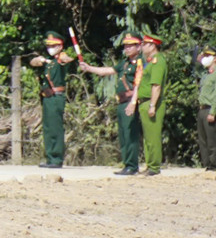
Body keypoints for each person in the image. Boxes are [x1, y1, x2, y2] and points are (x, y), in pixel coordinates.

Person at [79, 33, 143, 175]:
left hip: (130, 100)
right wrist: (89, 68)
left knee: (130, 133)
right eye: (126, 45)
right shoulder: (125, 63)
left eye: (130, 45)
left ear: (139, 46)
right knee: (123, 134)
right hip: (121, 101)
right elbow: (107, 71)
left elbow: (138, 83)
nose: (127, 48)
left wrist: (133, 102)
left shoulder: (140, 62)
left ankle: (132, 166)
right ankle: (127, 163)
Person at [29, 31, 76, 168]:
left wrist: (63, 56)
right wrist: (40, 60)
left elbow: (68, 60)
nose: (50, 48)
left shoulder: (60, 60)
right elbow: (33, 62)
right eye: (49, 46)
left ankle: (56, 159)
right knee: (48, 128)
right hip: (47, 97)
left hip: (56, 97)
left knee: (55, 127)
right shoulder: (49, 62)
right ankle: (50, 157)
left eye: (54, 45)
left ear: (60, 46)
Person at [129, 33, 168, 176]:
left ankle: (154, 166)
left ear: (152, 46)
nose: (142, 47)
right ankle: (149, 163)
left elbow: (156, 85)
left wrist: (152, 105)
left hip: (152, 103)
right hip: (144, 102)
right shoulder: (150, 61)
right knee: (147, 138)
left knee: (153, 136)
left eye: (145, 44)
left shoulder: (158, 61)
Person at [194, 46, 216, 173]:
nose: (205, 58)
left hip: (211, 109)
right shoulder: (206, 74)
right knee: (203, 139)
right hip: (202, 109)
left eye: (208, 56)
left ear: (215, 58)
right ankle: (207, 164)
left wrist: (213, 111)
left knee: (212, 139)